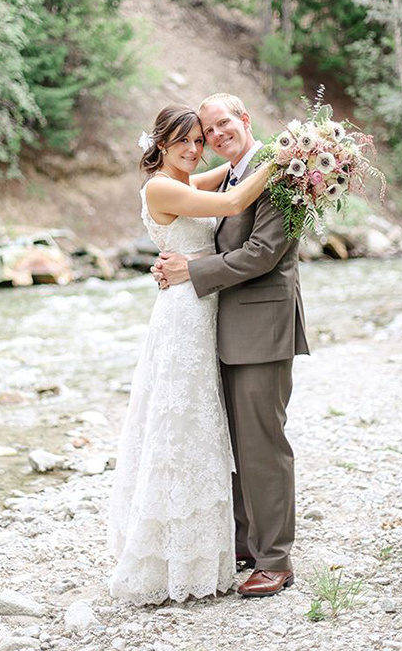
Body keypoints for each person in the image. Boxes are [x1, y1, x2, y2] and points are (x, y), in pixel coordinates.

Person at [107, 103, 272, 605]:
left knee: (201, 425)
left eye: (199, 140)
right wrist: (292, 154)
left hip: (201, 306)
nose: (194, 149)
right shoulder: (162, 185)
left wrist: (271, 150)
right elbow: (238, 197)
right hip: (185, 313)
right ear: (159, 143)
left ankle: (211, 546)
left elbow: (236, 168)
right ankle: (171, 554)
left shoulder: (189, 178)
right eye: (183, 141)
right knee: (181, 425)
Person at [153, 93, 309, 598]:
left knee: (263, 445)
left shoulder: (283, 171)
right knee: (234, 441)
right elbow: (194, 214)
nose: (213, 138)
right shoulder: (236, 174)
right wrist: (176, 259)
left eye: (222, 125)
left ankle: (276, 559)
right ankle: (247, 538)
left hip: (261, 330)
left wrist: (190, 270)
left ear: (245, 120)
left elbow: (263, 254)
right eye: (204, 133)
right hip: (220, 327)